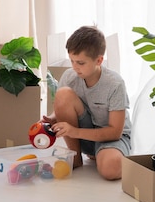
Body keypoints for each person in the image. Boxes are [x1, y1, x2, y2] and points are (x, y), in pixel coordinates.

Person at [42, 26, 131, 180]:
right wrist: (51, 119)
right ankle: (75, 158)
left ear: (99, 60)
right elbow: (64, 109)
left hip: (111, 138)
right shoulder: (70, 77)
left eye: (81, 63)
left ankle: (104, 154)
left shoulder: (115, 84)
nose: (75, 67)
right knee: (63, 94)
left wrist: (74, 132)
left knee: (110, 169)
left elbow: (115, 132)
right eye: (72, 61)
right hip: (85, 136)